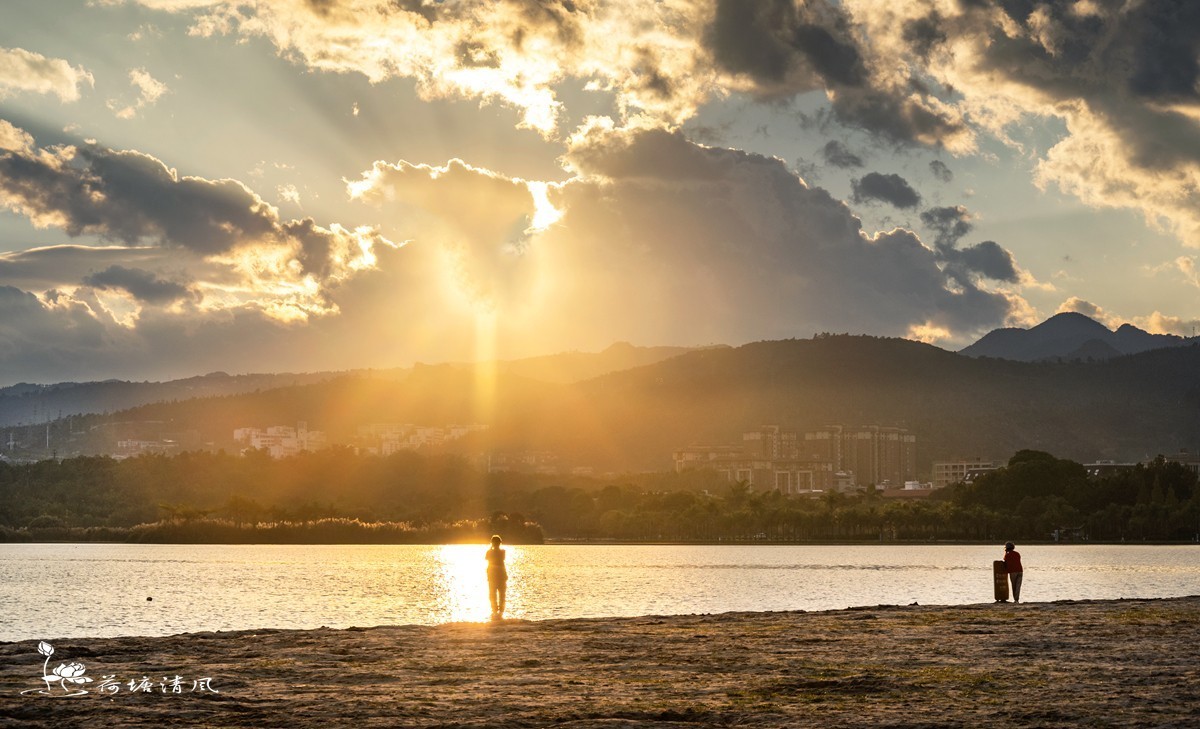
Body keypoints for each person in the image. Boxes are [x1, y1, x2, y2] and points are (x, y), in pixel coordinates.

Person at [485, 534, 508, 619]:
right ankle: (499, 612)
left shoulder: (489, 552)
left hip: (493, 574)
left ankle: (495, 611)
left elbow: (488, 560)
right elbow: (501, 562)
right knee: (500, 594)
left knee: (493, 594)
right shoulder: (502, 552)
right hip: (499, 574)